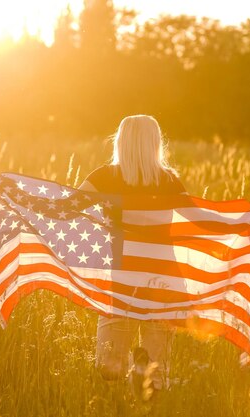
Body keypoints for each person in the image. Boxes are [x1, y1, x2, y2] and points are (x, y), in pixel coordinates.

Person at [78, 114, 187, 395]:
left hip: (122, 276)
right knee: (156, 372)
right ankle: (143, 378)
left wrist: (23, 199)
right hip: (163, 280)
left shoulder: (104, 178)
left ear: (121, 141)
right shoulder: (170, 181)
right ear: (154, 143)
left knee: (108, 367)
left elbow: (69, 208)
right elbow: (193, 222)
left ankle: (121, 397)